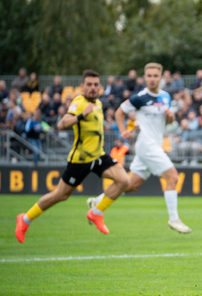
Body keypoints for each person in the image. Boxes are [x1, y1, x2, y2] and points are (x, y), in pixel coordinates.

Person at [15, 70, 129, 243]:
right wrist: (81, 115)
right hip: (80, 160)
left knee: (124, 180)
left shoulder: (98, 103)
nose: (92, 88)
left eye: (95, 85)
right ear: (82, 87)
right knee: (60, 195)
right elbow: (62, 124)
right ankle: (24, 219)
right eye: (89, 85)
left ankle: (96, 213)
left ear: (100, 87)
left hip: (98, 156)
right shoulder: (79, 102)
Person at [88, 63, 191, 234]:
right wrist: (122, 132)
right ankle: (174, 220)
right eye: (148, 75)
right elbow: (119, 113)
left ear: (160, 78)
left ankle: (97, 205)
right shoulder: (139, 97)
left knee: (130, 185)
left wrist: (171, 118)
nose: (151, 79)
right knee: (172, 176)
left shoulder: (165, 97)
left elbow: (167, 123)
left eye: (155, 76)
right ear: (145, 77)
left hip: (153, 145)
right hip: (146, 144)